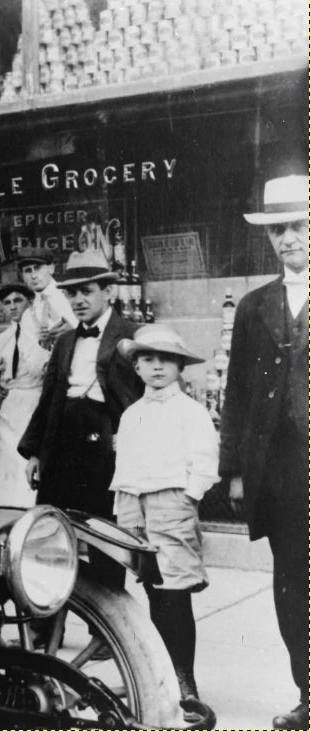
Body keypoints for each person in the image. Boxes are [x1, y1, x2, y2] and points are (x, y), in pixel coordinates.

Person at [220, 173, 308, 729]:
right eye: (279, 229)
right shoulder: (255, 306)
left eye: (299, 225)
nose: (289, 238)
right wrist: (233, 472)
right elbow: (237, 393)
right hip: (278, 472)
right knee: (292, 586)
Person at [111, 324, 219, 728]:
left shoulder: (189, 412)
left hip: (171, 502)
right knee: (153, 589)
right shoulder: (132, 413)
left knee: (175, 593)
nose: (157, 367)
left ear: (180, 368)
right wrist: (127, 509)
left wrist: (187, 496)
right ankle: (159, 670)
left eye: (166, 360)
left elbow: (205, 463)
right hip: (133, 505)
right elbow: (125, 463)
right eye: (148, 360)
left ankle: (184, 679)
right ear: (136, 368)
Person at [18, 248, 142, 587]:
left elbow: (149, 399)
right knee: (49, 537)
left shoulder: (133, 335)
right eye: (71, 293)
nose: (78, 300)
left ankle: (103, 631)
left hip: (106, 453)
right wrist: (33, 452)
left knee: (105, 543)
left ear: (109, 291)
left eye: (86, 291)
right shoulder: (66, 341)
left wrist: (131, 436)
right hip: (61, 448)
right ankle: (45, 623)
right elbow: (49, 400)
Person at [0, 282, 47, 507]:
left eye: (18, 300)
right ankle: (9, 520)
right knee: (10, 472)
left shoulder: (44, 334)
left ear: (30, 302)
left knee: (34, 469)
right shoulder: (2, 340)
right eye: (7, 303)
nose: (13, 306)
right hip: (11, 409)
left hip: (38, 403)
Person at [16, 246, 77, 349]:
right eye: (28, 271)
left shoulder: (72, 294)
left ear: (51, 268)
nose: (34, 276)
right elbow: (28, 356)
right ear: (23, 276)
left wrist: (75, 332)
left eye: (37, 268)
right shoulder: (27, 316)